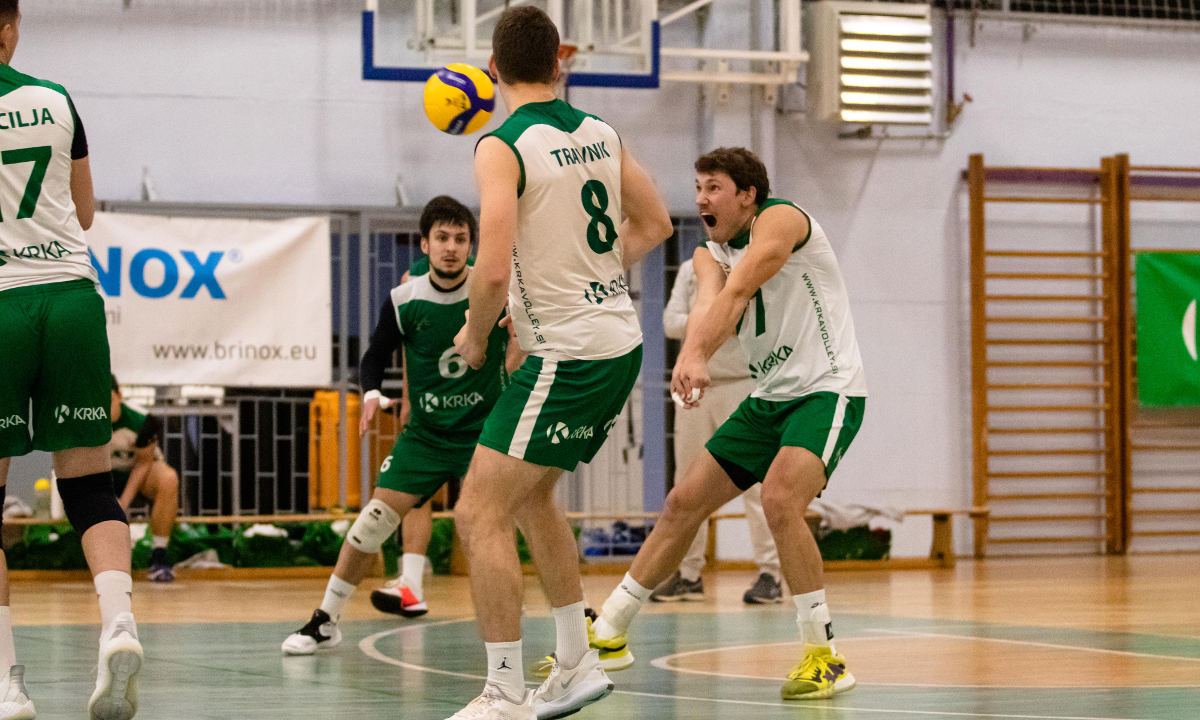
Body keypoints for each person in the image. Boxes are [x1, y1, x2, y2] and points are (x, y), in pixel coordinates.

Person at [448, 7, 672, 720]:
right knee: (530, 499)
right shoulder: (601, 132)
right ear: (559, 63)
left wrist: (475, 336)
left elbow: (489, 271)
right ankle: (575, 662)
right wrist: (577, 283)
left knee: (476, 511)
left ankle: (503, 693)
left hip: (570, 354)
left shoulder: (501, 145)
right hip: (616, 343)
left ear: (492, 70)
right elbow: (656, 224)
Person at [588, 147, 868, 701]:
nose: (701, 198)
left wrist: (697, 357)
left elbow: (739, 293)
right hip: (770, 395)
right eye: (698, 187)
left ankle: (825, 656)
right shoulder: (708, 252)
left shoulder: (781, 219)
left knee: (780, 500)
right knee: (682, 502)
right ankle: (609, 631)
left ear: (747, 195)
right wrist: (693, 351)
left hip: (826, 388)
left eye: (713, 187)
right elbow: (709, 302)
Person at [281, 195, 519, 654]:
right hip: (425, 435)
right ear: (424, 245)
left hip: (484, 434)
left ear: (471, 245)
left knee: (504, 527)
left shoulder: (492, 290)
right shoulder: (404, 298)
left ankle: (559, 621)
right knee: (370, 524)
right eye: (442, 238)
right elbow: (374, 355)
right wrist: (372, 393)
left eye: (461, 239)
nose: (451, 247)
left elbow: (523, 340)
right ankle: (325, 621)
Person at [0, 3, 144, 718]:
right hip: (72, 299)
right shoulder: (55, 99)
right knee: (89, 485)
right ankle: (119, 623)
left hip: (1, 303)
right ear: (10, 28)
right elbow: (83, 213)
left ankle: (8, 684)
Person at [652, 257, 783, 605]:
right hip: (695, 386)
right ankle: (688, 575)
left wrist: (707, 320)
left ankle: (770, 574)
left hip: (744, 384)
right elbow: (670, 323)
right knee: (687, 483)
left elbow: (759, 324)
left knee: (756, 484)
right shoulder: (687, 269)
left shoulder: (754, 264)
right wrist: (714, 318)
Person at [109, 376, 179, 583]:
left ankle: (159, 555)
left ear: (120, 396)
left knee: (168, 479)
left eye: (109, 401)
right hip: (103, 474)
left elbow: (143, 464)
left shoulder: (143, 420)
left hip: (137, 472)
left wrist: (123, 503)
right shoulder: (84, 419)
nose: (104, 408)